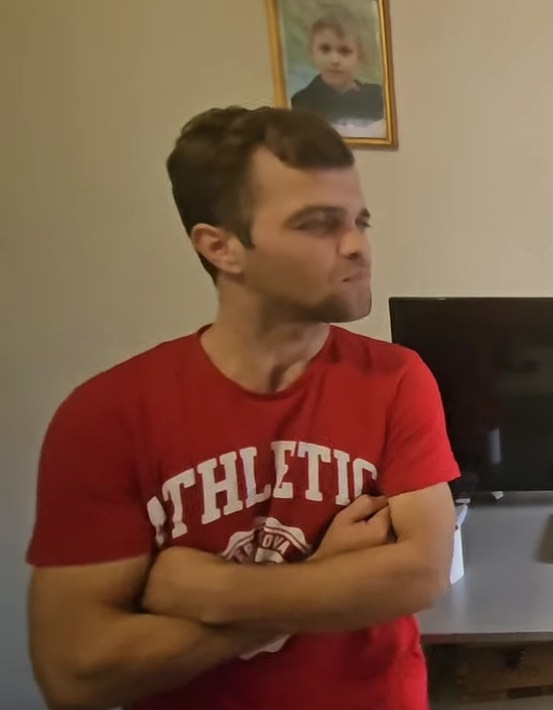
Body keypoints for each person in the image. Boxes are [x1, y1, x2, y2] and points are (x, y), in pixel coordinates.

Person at [25, 106, 459, 709]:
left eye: (360, 221)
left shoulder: (396, 378)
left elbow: (421, 574)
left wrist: (212, 590)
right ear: (221, 247)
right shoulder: (105, 416)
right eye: (318, 224)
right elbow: (76, 674)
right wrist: (322, 575)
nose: (357, 246)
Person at [290, 7, 386, 133]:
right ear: (311, 53)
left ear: (361, 57)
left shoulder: (377, 97)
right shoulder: (300, 103)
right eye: (325, 49)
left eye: (344, 51)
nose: (334, 60)